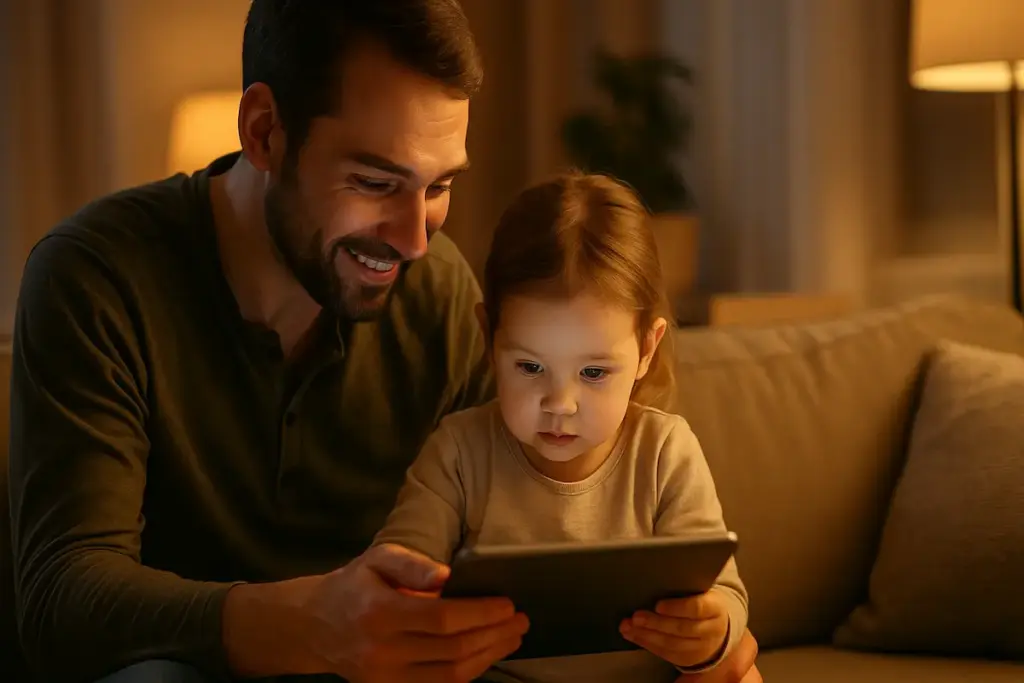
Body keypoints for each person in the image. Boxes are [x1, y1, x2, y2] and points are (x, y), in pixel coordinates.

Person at [7, 1, 763, 682]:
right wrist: (314, 627)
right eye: (375, 183)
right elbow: (61, 602)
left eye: (439, 186)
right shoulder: (97, 277)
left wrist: (713, 637)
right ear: (265, 131)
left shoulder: (438, 294)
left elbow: (532, 518)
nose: (413, 241)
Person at [372, 172, 748, 683]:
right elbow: (399, 568)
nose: (560, 405)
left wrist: (710, 629)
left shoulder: (665, 450)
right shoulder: (459, 453)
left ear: (647, 349)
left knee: (738, 670)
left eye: (593, 373)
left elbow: (724, 593)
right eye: (530, 367)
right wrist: (413, 602)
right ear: (488, 336)